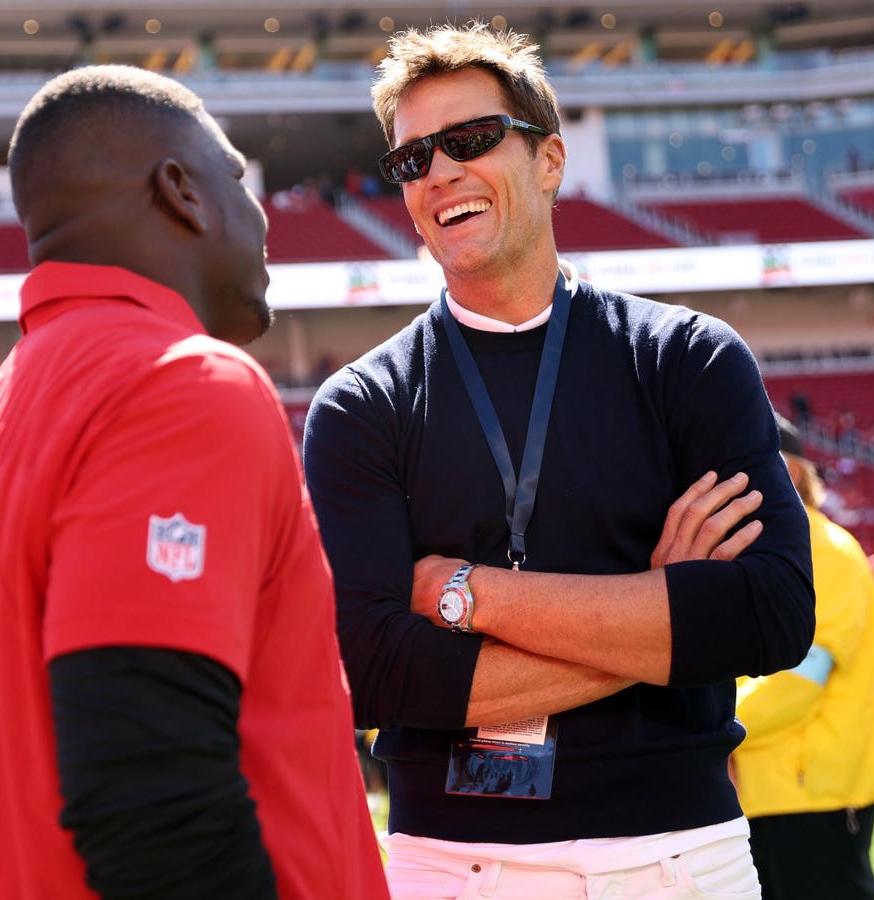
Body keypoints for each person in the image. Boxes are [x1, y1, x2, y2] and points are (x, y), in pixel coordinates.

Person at [302, 22, 814, 899]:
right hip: (454, 864)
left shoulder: (688, 357)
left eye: (468, 140)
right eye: (412, 159)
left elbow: (770, 616)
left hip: (680, 852)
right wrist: (661, 619)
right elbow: (373, 676)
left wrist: (468, 593)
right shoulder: (361, 404)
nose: (439, 172)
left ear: (549, 161)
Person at [0, 65, 387, 900]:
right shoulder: (181, 383)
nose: (261, 213)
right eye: (239, 179)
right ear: (181, 192)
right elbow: (152, 798)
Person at [732, 415, 874, 900]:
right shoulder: (771, 551)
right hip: (767, 795)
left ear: (790, 470)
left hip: (810, 795)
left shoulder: (828, 553)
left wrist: (710, 725)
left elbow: (798, 683)